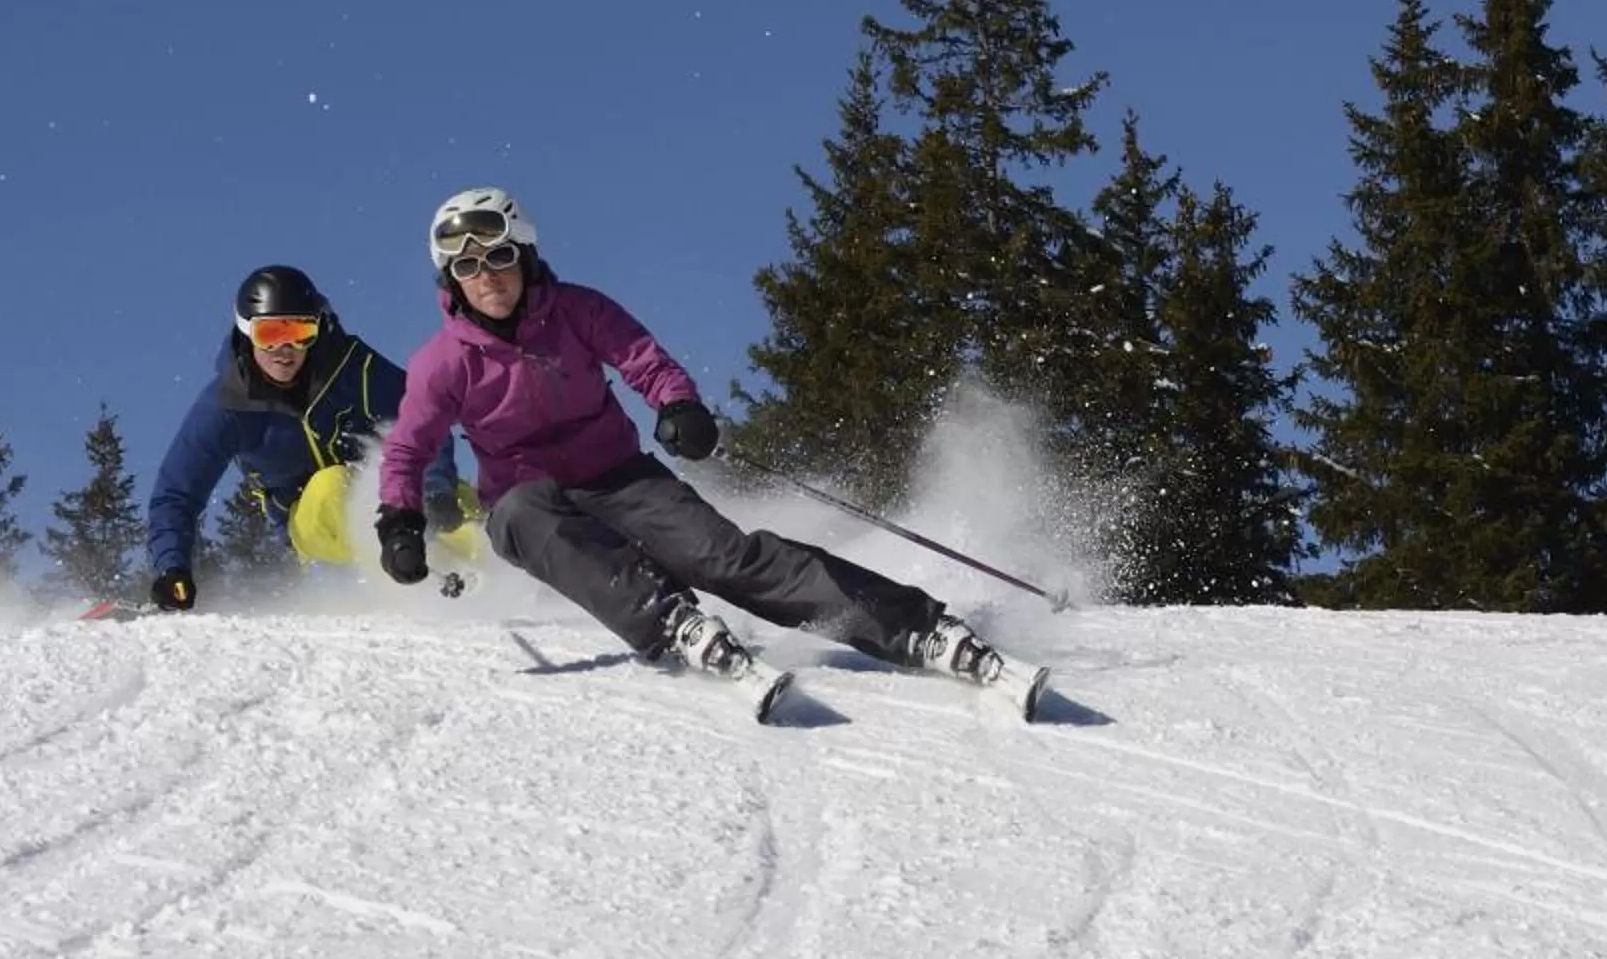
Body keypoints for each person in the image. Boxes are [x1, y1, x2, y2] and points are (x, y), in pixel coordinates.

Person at [372, 187, 1014, 689]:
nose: (487, 277)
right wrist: (399, 520)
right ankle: (668, 618)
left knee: (723, 558)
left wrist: (679, 406)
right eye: (467, 268)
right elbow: (409, 446)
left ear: (526, 254)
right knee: (523, 517)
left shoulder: (578, 310)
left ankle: (915, 627)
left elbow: (644, 360)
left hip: (620, 475)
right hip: (530, 500)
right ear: (451, 282)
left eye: (499, 257)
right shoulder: (444, 362)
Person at [143, 265, 468, 612]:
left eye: (300, 331)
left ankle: (498, 581)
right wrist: (171, 566)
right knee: (332, 487)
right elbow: (177, 494)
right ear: (246, 331)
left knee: (462, 504)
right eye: (270, 333)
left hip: (390, 497)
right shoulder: (227, 405)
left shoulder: (352, 369)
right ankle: (395, 589)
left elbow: (420, 418)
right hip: (312, 524)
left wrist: (435, 492)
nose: (286, 348)